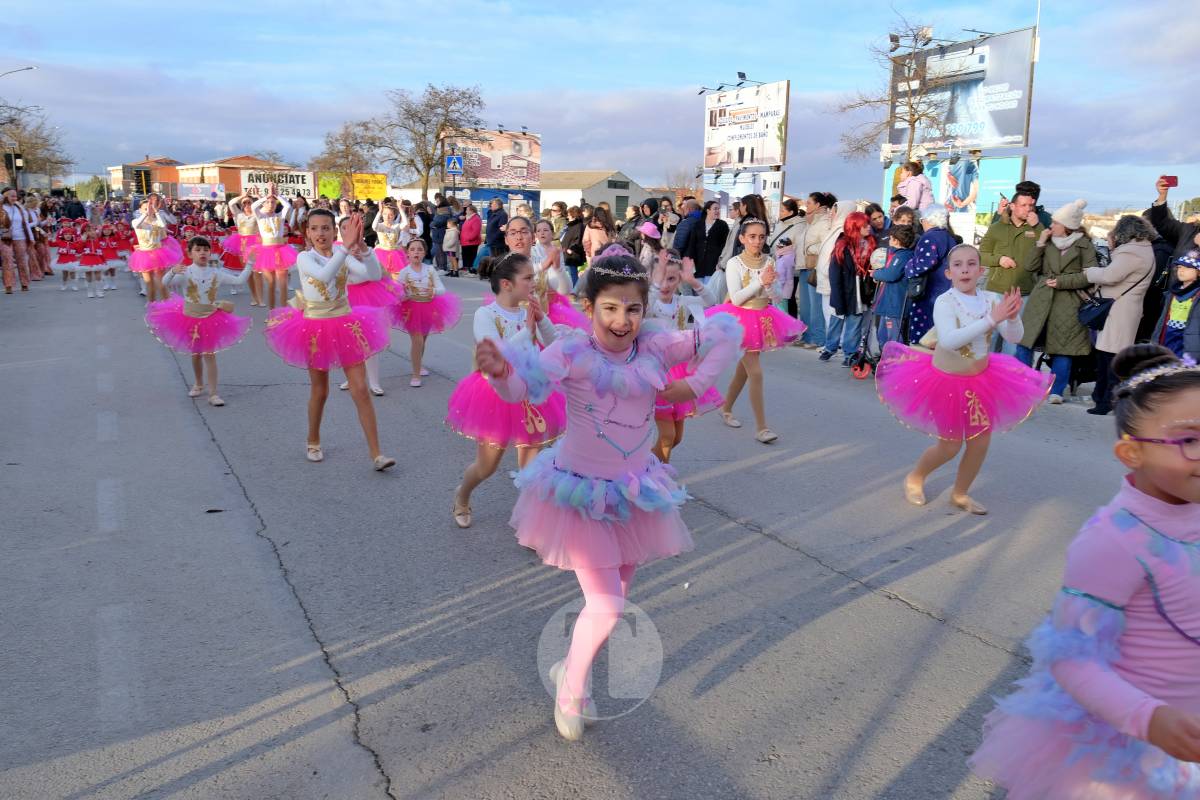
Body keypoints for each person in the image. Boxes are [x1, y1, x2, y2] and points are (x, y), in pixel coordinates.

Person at [472, 251, 741, 741]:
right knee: (608, 606)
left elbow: (725, 334)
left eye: (633, 309)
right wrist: (500, 373)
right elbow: (522, 390)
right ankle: (572, 689)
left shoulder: (656, 346)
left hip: (635, 494)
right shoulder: (571, 352)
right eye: (610, 308)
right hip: (580, 494)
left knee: (613, 603)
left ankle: (567, 668)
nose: (622, 320)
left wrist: (695, 385)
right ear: (589, 307)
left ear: (644, 310)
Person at [970, 343, 1200, 797]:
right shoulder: (1113, 541)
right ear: (1131, 453)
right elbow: (1071, 659)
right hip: (1129, 750)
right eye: (1190, 440)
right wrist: (1149, 718)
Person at [875, 244, 1051, 515]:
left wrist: (1013, 318)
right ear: (949, 273)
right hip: (946, 381)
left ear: (981, 271)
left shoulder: (991, 299)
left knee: (980, 442)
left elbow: (1014, 337)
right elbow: (949, 340)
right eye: (958, 265)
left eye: (971, 264)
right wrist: (992, 319)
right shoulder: (945, 302)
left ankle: (960, 493)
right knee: (950, 445)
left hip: (981, 380)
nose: (965, 269)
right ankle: (915, 477)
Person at [262, 210, 395, 470]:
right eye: (314, 228)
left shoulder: (341, 254)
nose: (320, 233)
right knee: (320, 390)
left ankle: (377, 454)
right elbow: (324, 276)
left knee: (360, 389)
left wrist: (364, 249)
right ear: (307, 233)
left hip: (345, 323)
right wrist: (345, 249)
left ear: (334, 231)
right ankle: (313, 440)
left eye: (325, 228)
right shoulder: (304, 257)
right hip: (315, 326)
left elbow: (373, 275)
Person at [447, 252, 566, 529]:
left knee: (531, 467)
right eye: (528, 278)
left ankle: (529, 523)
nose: (533, 283)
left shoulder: (530, 310)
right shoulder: (485, 314)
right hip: (495, 394)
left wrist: (541, 320)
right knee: (486, 466)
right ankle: (462, 494)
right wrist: (528, 330)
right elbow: (496, 353)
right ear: (506, 284)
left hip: (532, 393)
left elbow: (555, 344)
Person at [708, 218, 805, 443]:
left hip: (762, 318)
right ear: (742, 238)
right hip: (740, 321)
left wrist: (770, 286)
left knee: (744, 371)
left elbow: (776, 297)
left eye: (761, 237)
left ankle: (725, 408)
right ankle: (762, 428)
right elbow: (737, 298)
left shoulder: (769, 260)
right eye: (752, 236)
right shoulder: (734, 263)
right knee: (756, 372)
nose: (757, 241)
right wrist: (761, 281)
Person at [148, 237, 254, 406]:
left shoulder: (216, 273)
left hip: (210, 318)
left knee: (209, 355)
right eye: (198, 250)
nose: (202, 253)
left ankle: (213, 393)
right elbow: (165, 282)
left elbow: (239, 280)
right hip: (189, 317)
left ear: (210, 253)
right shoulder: (185, 272)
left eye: (206, 250)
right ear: (190, 254)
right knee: (196, 354)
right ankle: (198, 383)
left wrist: (250, 264)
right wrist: (172, 271)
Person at [1013, 199, 1096, 404]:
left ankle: (1056, 391)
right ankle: (1024, 384)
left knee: (1063, 347)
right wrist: (1040, 243)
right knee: (1025, 341)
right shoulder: (1048, 241)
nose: (1051, 226)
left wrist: (1062, 282)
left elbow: (1091, 275)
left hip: (1068, 301)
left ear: (1067, 226)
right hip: (1041, 299)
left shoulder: (1084, 245)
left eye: (1056, 223)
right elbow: (1030, 266)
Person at [1073, 215, 1158, 415]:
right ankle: (1104, 398)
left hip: (1118, 310)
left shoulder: (1132, 252)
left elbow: (1110, 276)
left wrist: (1089, 272)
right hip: (1125, 309)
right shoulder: (1144, 250)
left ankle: (1105, 401)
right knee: (1111, 356)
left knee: (1109, 358)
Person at [649, 252, 722, 462]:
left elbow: (711, 301)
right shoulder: (649, 304)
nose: (665, 285)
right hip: (657, 374)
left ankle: (645, 464)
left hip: (680, 372)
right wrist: (654, 284)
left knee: (676, 438)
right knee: (667, 436)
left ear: (679, 279)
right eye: (660, 278)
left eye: (671, 279)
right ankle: (658, 473)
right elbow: (645, 302)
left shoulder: (684, 301)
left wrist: (693, 281)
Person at [981, 184, 1046, 353]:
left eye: (1030, 205)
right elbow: (981, 255)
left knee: (1013, 341)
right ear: (1012, 206)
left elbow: (1047, 251)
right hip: (996, 291)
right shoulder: (997, 228)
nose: (1028, 209)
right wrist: (999, 259)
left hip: (1023, 292)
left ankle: (1007, 370)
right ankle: (987, 368)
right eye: (1023, 205)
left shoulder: (1037, 228)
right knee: (991, 336)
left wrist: (1037, 227)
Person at [395, 238, 462, 387]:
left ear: (424, 252)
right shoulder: (404, 272)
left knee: (423, 341)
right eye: (412, 249)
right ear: (407, 253)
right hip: (411, 310)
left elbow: (442, 289)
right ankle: (415, 374)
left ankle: (418, 365)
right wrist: (404, 293)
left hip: (429, 309)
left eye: (419, 249)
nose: (416, 252)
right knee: (417, 341)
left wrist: (433, 291)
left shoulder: (430, 270)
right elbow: (398, 294)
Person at [826, 211, 877, 367]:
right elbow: (834, 274)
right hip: (844, 289)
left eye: (868, 224)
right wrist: (837, 296)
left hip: (860, 292)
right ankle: (830, 347)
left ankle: (849, 353)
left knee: (854, 322)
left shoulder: (870, 243)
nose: (868, 227)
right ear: (855, 227)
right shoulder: (842, 246)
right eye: (864, 225)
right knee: (837, 318)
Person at [905, 207, 959, 344]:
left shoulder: (929, 237)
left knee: (924, 332)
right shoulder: (949, 237)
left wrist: (909, 267)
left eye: (922, 220)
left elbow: (926, 262)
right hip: (946, 288)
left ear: (929, 220)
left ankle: (921, 355)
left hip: (930, 291)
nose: (921, 223)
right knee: (939, 329)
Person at [814, 200, 855, 360]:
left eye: (835, 210)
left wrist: (826, 273)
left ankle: (839, 344)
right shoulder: (835, 228)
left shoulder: (842, 232)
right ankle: (833, 343)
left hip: (832, 280)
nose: (831, 213)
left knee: (835, 314)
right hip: (826, 279)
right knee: (829, 313)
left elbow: (834, 258)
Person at [531, 218, 588, 329]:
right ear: (535, 235)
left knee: (556, 324)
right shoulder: (533, 250)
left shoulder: (557, 250)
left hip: (555, 291)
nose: (542, 233)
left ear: (552, 233)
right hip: (540, 291)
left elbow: (560, 268)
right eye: (539, 231)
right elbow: (533, 270)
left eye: (545, 230)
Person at [798, 192, 838, 349]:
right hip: (804, 266)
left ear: (818, 205)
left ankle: (818, 338)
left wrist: (810, 249)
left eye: (809, 203)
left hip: (815, 267)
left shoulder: (824, 221)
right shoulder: (810, 222)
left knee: (816, 305)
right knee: (805, 306)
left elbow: (826, 244)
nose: (806, 205)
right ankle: (807, 335)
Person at [250, 186, 299, 310]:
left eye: (273, 202)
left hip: (281, 251)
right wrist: (266, 197)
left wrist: (277, 195)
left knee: (283, 284)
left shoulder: (280, 216)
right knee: (271, 283)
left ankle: (284, 311)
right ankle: (271, 311)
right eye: (268, 202)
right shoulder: (260, 216)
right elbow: (253, 206)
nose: (271, 204)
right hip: (266, 252)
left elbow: (287, 206)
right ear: (264, 203)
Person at [129, 193, 184, 303]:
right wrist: (146, 213)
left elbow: (162, 225)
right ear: (140, 210)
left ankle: (167, 303)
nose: (148, 209)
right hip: (144, 254)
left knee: (161, 282)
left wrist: (156, 211)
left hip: (157, 253)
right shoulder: (136, 221)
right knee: (149, 284)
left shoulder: (157, 222)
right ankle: (152, 304)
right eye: (145, 208)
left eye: (150, 207)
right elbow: (137, 224)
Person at [870, 223, 915, 345]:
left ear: (896, 241)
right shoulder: (897, 254)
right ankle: (885, 355)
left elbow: (891, 275)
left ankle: (894, 356)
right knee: (883, 335)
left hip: (895, 305)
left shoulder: (902, 256)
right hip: (889, 304)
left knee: (893, 338)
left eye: (890, 238)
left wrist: (875, 273)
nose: (889, 240)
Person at [1152, 251, 1200, 361]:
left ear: (1198, 272)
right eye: (1179, 267)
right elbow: (1162, 321)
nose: (1181, 270)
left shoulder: (1197, 295)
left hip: (1186, 342)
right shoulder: (1172, 293)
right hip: (1167, 336)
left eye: (1188, 268)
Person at [221, 194, 264, 306]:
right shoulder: (238, 214)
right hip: (241, 245)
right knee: (248, 273)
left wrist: (258, 196)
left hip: (254, 244)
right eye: (244, 203)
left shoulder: (257, 214)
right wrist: (243, 195)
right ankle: (254, 297)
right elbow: (231, 203)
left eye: (249, 202)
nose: (247, 205)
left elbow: (263, 205)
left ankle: (260, 298)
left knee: (257, 272)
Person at [695, 200, 730, 282]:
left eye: (718, 209)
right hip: (698, 263)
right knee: (698, 287)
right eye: (715, 209)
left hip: (714, 264)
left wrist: (721, 261)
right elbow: (692, 243)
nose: (718, 211)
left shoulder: (722, 225)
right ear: (708, 210)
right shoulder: (698, 224)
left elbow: (726, 244)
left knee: (710, 287)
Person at [371, 202, 408, 275]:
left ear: (394, 216)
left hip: (395, 254)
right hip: (381, 253)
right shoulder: (380, 226)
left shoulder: (396, 226)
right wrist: (379, 211)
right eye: (385, 214)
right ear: (382, 215)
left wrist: (400, 208)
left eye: (390, 215)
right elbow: (374, 226)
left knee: (396, 275)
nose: (387, 217)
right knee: (381, 274)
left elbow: (405, 223)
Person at [460, 203, 482, 275]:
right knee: (465, 255)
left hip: (471, 242)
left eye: (467, 210)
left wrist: (469, 238)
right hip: (465, 241)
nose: (466, 211)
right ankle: (467, 269)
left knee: (470, 257)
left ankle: (471, 271)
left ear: (472, 211)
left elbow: (476, 231)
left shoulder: (476, 218)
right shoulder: (468, 218)